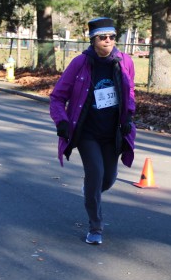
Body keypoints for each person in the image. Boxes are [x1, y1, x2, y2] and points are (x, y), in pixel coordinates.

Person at [49, 17, 136, 245]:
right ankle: (95, 227)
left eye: (112, 37)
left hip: (112, 132)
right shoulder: (80, 63)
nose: (108, 41)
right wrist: (61, 121)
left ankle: (90, 189)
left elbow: (130, 91)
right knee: (96, 174)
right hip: (87, 132)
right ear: (92, 40)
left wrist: (129, 114)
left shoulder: (125, 61)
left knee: (108, 178)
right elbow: (57, 97)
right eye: (102, 37)